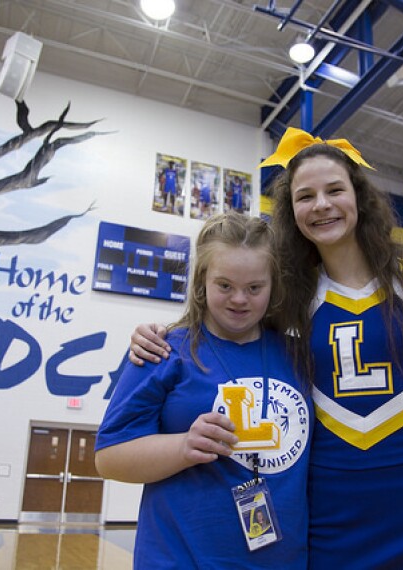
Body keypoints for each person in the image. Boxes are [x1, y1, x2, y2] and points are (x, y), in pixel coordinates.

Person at [129, 128, 403, 569]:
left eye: (335, 190)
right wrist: (156, 333)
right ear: (292, 213)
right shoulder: (286, 301)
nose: (321, 204)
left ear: (359, 198)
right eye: (306, 196)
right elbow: (223, 323)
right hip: (330, 518)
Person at [95, 212, 312, 569]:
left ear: (273, 285)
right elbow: (108, 457)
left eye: (254, 288)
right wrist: (182, 447)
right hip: (179, 559)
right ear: (201, 281)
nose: (239, 299)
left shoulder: (300, 356)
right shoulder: (163, 350)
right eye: (224, 285)